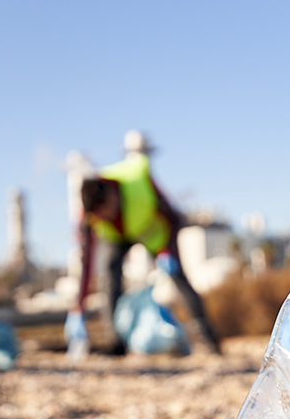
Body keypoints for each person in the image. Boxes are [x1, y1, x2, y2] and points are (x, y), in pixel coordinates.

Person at [69, 135, 223, 356]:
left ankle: (208, 340)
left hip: (155, 236)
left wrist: (166, 251)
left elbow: (174, 217)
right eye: (100, 217)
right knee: (109, 277)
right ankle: (117, 343)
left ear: (112, 196)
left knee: (179, 279)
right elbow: (86, 261)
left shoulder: (138, 178)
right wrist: (78, 308)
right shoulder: (90, 214)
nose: (105, 218)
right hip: (119, 238)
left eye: (107, 212)